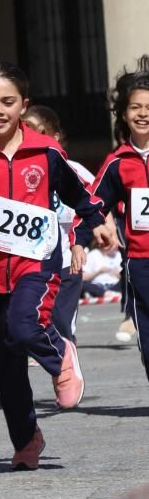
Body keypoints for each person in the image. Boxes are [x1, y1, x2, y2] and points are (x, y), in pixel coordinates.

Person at [0, 62, 113, 470]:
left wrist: (96, 222)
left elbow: (80, 192)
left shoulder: (46, 152)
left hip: (37, 261)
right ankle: (27, 439)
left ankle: (59, 356)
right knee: (6, 367)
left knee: (26, 325)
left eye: (7, 102)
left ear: (22, 105)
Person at [83, 58, 149, 375]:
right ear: (123, 114)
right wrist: (80, 242)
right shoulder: (118, 163)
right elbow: (92, 205)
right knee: (148, 344)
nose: (143, 113)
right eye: (136, 107)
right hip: (139, 263)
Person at [21, 105, 95, 342]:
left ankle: (66, 360)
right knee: (28, 318)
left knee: (62, 320)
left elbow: (98, 198)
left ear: (55, 137)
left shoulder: (73, 170)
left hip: (66, 260)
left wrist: (105, 226)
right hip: (28, 262)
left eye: (35, 130)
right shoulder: (19, 172)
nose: (28, 135)